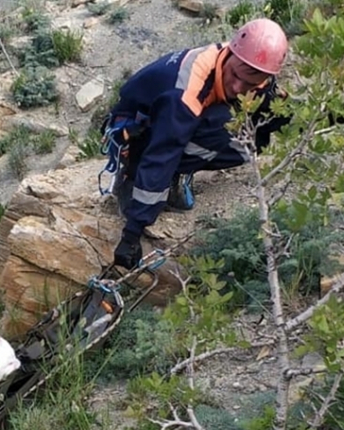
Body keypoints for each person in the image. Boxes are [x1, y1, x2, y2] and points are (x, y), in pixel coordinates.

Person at [103, 18, 292, 269]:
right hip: (136, 130)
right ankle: (133, 176)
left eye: (249, 83)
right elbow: (162, 154)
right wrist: (132, 234)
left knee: (248, 138)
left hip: (179, 119)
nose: (237, 87)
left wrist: (340, 113)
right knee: (217, 127)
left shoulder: (253, 68)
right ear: (230, 53)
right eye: (234, 75)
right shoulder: (184, 92)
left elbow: (282, 111)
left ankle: (180, 171)